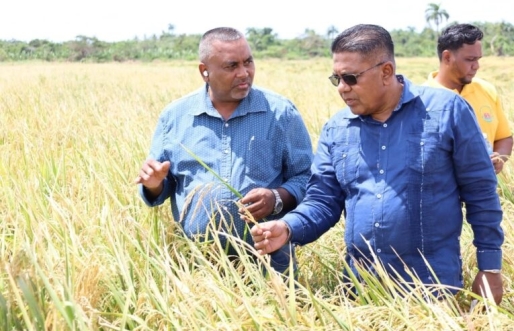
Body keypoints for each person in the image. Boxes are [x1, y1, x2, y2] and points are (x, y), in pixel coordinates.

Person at [251, 24, 504, 304]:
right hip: (361, 290)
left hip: (433, 291)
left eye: (351, 78)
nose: (343, 89)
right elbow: (322, 201)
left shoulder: (446, 111)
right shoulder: (337, 129)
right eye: (337, 79)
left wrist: (490, 267)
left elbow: (481, 193)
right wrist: (287, 228)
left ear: (386, 72)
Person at [135, 27, 313, 274]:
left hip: (268, 261)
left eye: (248, 62)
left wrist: (277, 197)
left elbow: (308, 178)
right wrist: (154, 183)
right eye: (231, 66)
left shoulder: (281, 113)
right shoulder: (175, 117)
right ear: (204, 71)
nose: (244, 73)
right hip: (199, 265)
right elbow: (161, 189)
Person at [424, 23, 512, 174]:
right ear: (447, 57)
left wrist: (499, 159)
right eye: (470, 59)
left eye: (478, 59)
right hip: (443, 194)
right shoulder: (422, 99)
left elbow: (504, 138)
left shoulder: (487, 90)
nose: (476, 66)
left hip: (484, 192)